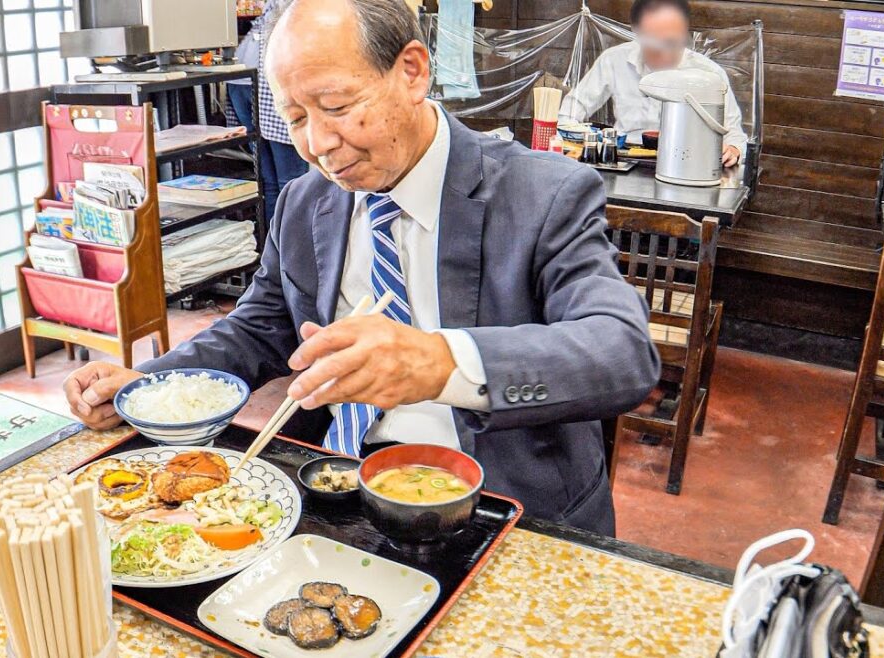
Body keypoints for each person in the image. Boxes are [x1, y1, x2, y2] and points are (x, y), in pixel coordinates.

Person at [64, 0, 660, 536]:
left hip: (505, 510)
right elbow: (259, 326)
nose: (320, 144)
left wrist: (439, 363)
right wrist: (153, 386)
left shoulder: (541, 193)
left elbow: (622, 351)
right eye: (296, 119)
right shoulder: (305, 202)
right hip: (337, 490)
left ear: (412, 71)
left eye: (338, 106)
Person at [558, 0, 747, 168]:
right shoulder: (614, 60)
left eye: (672, 43)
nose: (665, 54)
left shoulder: (708, 74)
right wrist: (586, 139)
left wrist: (733, 150)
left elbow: (735, 135)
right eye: (655, 44)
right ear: (637, 33)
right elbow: (569, 113)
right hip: (622, 159)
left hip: (685, 163)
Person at [226, 0, 309, 219]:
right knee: (285, 181)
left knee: (276, 181)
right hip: (259, 81)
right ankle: (287, 244)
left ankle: (281, 242)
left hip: (248, 79)